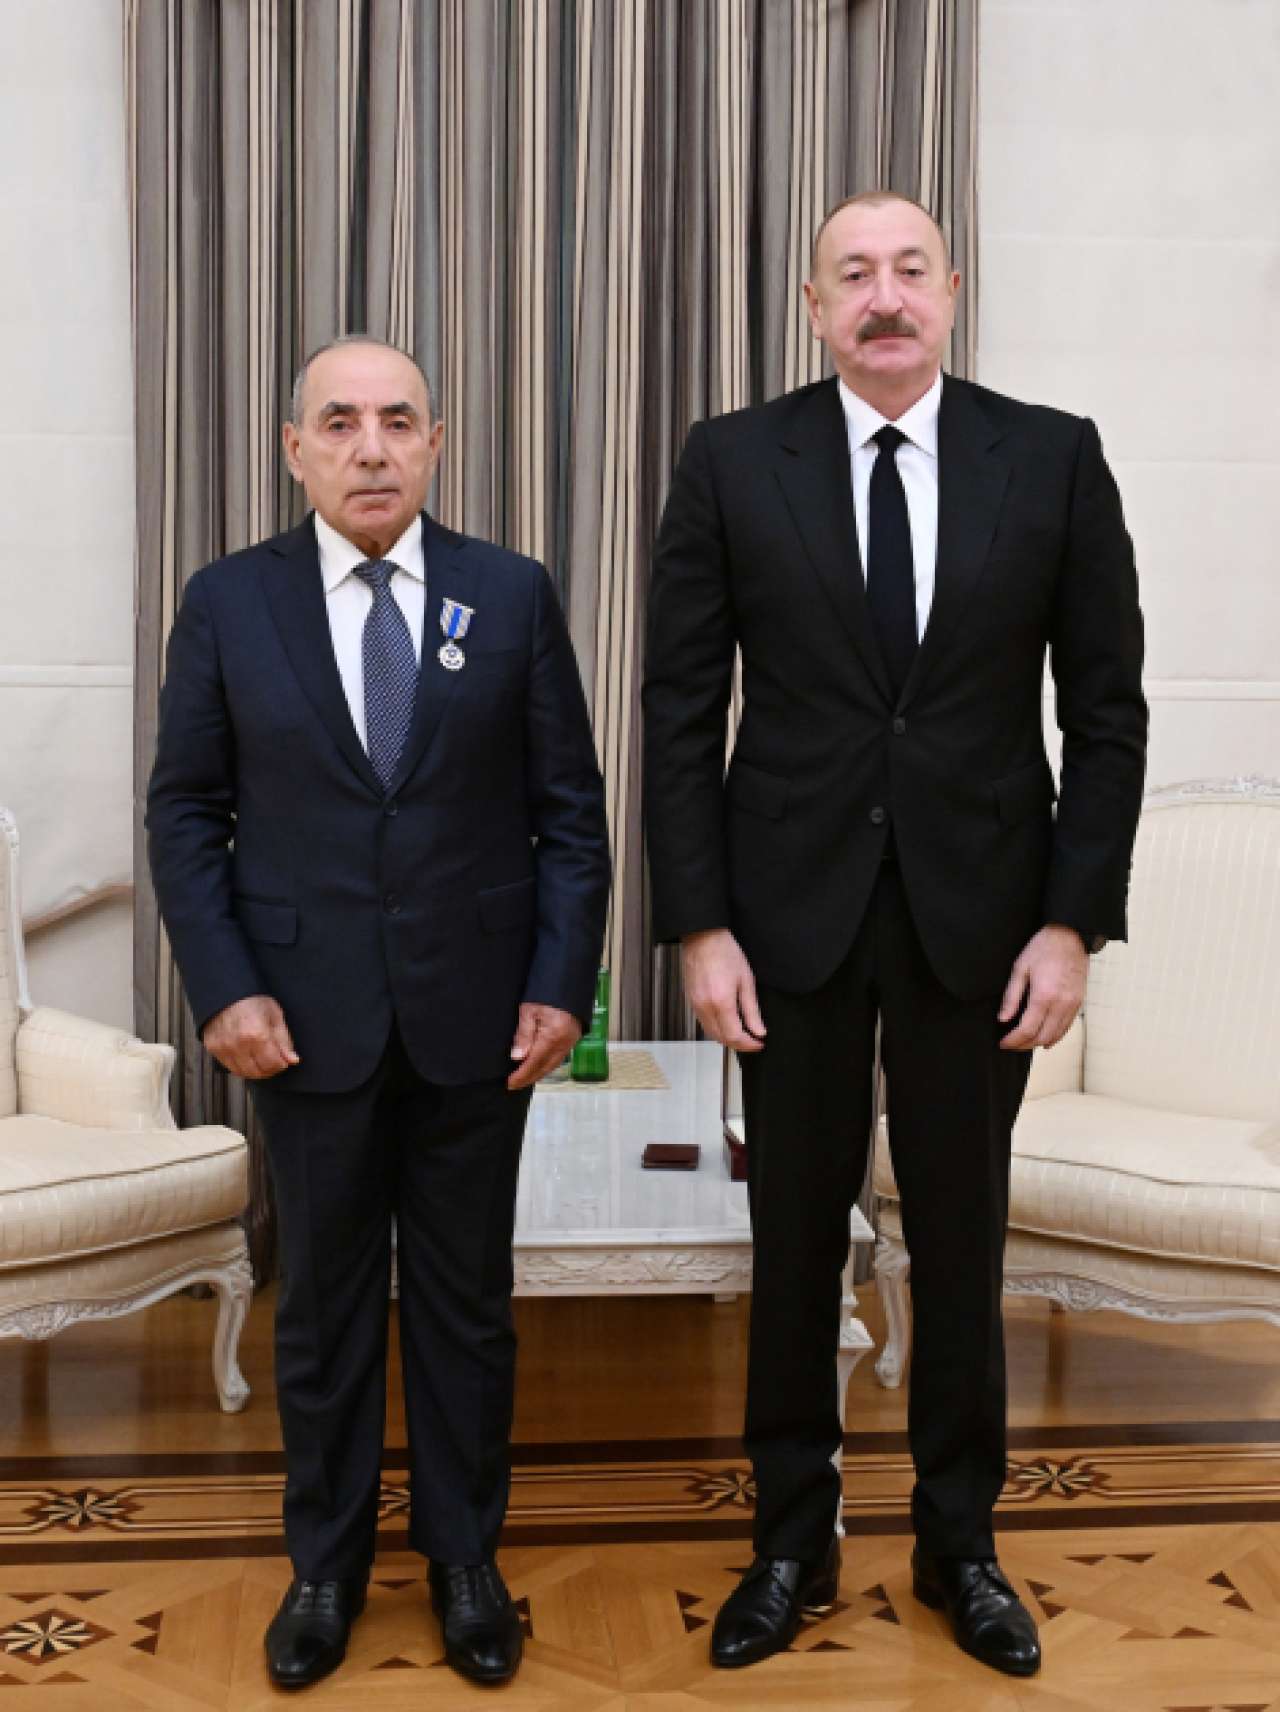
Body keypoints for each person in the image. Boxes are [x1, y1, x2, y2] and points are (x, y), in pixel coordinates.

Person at [643, 191, 1146, 1679]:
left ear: (952, 290)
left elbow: (1106, 714)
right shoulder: (733, 460)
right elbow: (680, 715)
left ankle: (958, 1545)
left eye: (909, 270)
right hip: (783, 925)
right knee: (793, 1243)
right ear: (813, 306)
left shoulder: (1050, 457)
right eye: (853, 274)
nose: (884, 297)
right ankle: (789, 1542)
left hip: (981, 926)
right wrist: (699, 927)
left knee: (962, 1242)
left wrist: (1072, 923)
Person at [147, 335, 610, 1690]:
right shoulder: (229, 602)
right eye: (340, 423)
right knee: (325, 1313)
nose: (371, 448)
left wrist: (558, 987)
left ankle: (467, 1563)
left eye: (398, 421)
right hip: (300, 1022)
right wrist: (226, 986)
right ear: (294, 449)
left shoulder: (510, 593)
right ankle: (326, 1569)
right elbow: (186, 814)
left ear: (436, 444)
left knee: (467, 1311)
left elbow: (570, 817)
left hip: (480, 1020)